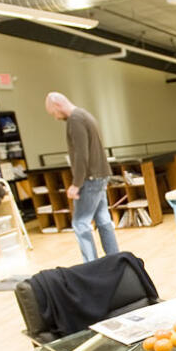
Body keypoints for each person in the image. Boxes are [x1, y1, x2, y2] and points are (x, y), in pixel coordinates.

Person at [45, 92, 119, 262]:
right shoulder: (85, 115)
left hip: (91, 178)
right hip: (100, 175)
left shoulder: (75, 120)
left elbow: (81, 155)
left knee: (80, 224)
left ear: (58, 105)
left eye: (53, 113)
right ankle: (115, 259)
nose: (55, 117)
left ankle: (90, 265)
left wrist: (76, 184)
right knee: (103, 220)